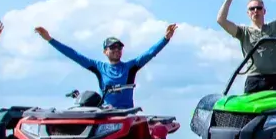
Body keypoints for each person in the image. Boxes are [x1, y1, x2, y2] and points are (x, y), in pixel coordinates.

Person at [36, 24, 178, 110]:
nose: (117, 50)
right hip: (106, 113)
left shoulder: (130, 67)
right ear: (105, 51)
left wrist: (165, 38)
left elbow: (150, 53)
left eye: (119, 47)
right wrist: (49, 39)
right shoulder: (99, 67)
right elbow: (74, 55)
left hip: (125, 114)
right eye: (112, 47)